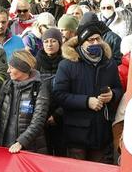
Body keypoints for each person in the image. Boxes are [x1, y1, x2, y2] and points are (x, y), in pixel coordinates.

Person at [53, 19, 123, 163]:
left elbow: (118, 89)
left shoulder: (109, 64)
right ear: (81, 43)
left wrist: (112, 95)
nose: (95, 43)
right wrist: (86, 102)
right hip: (76, 135)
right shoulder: (67, 65)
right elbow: (59, 95)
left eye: (98, 39)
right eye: (90, 40)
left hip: (101, 133)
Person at [0, 50, 50, 153]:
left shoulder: (39, 87)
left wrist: (21, 142)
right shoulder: (7, 85)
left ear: (22, 68)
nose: (8, 71)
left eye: (11, 67)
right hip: (4, 145)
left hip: (30, 148)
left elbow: (38, 120)